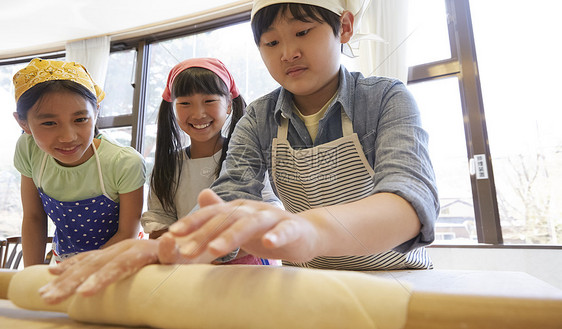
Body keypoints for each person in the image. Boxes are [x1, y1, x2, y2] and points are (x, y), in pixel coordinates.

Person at [39, 0, 438, 304]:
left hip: (397, 279)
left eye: (303, 32)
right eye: (271, 42)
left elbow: (408, 199)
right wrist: (165, 247)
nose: (288, 53)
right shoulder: (261, 117)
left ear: (344, 28)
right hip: (309, 285)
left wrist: (311, 230)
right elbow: (230, 196)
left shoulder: (386, 98)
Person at [141, 57, 280, 264]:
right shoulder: (168, 166)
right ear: (173, 108)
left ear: (229, 105)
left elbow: (269, 216)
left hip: (247, 268)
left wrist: (213, 252)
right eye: (185, 103)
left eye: (209, 101)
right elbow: (158, 227)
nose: (198, 114)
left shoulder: (248, 157)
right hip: (188, 270)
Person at [12, 58, 146, 266]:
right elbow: (33, 218)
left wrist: (80, 272)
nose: (68, 137)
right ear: (23, 123)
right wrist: (32, 274)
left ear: (96, 112)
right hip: (64, 261)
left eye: (80, 119)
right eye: (49, 123)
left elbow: (127, 233)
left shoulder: (124, 162)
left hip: (120, 263)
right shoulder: (28, 149)